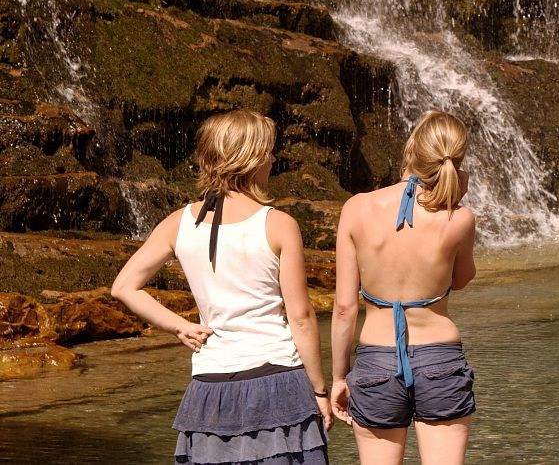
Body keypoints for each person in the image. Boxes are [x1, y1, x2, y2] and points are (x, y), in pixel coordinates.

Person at [111, 109, 331, 465]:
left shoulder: (178, 222)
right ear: (253, 158)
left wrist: (179, 325)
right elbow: (302, 317)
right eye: (270, 150)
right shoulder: (278, 224)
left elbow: (123, 286)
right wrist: (319, 390)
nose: (274, 158)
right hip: (275, 380)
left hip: (209, 388)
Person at [330, 110, 477, 465]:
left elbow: (344, 307)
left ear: (411, 149)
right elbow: (459, 280)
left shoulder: (356, 208)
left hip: (376, 361)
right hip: (440, 356)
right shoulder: (459, 218)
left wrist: (338, 376)